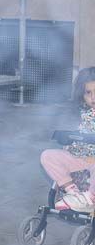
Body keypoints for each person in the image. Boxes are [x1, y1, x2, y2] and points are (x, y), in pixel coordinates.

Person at [40, 69, 95, 212]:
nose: (93, 97)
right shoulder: (78, 112)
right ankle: (73, 192)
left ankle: (90, 198)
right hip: (78, 160)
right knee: (48, 155)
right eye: (88, 93)